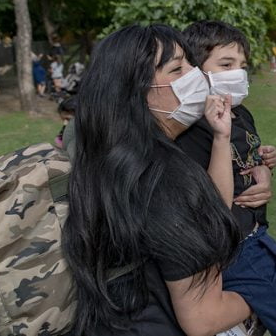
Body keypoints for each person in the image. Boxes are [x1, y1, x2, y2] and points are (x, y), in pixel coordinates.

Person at [62, 24, 252, 336]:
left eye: (190, 63)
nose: (195, 75)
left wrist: (221, 140)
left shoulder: (101, 155)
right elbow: (203, 318)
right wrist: (262, 297)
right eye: (178, 69)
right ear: (137, 93)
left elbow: (204, 214)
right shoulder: (162, 180)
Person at [179, 20, 276, 336]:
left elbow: (245, 159)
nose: (238, 73)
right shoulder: (193, 129)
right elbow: (206, 196)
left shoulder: (242, 113)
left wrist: (265, 165)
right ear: (196, 70)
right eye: (226, 64)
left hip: (255, 233)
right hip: (240, 247)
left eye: (242, 65)